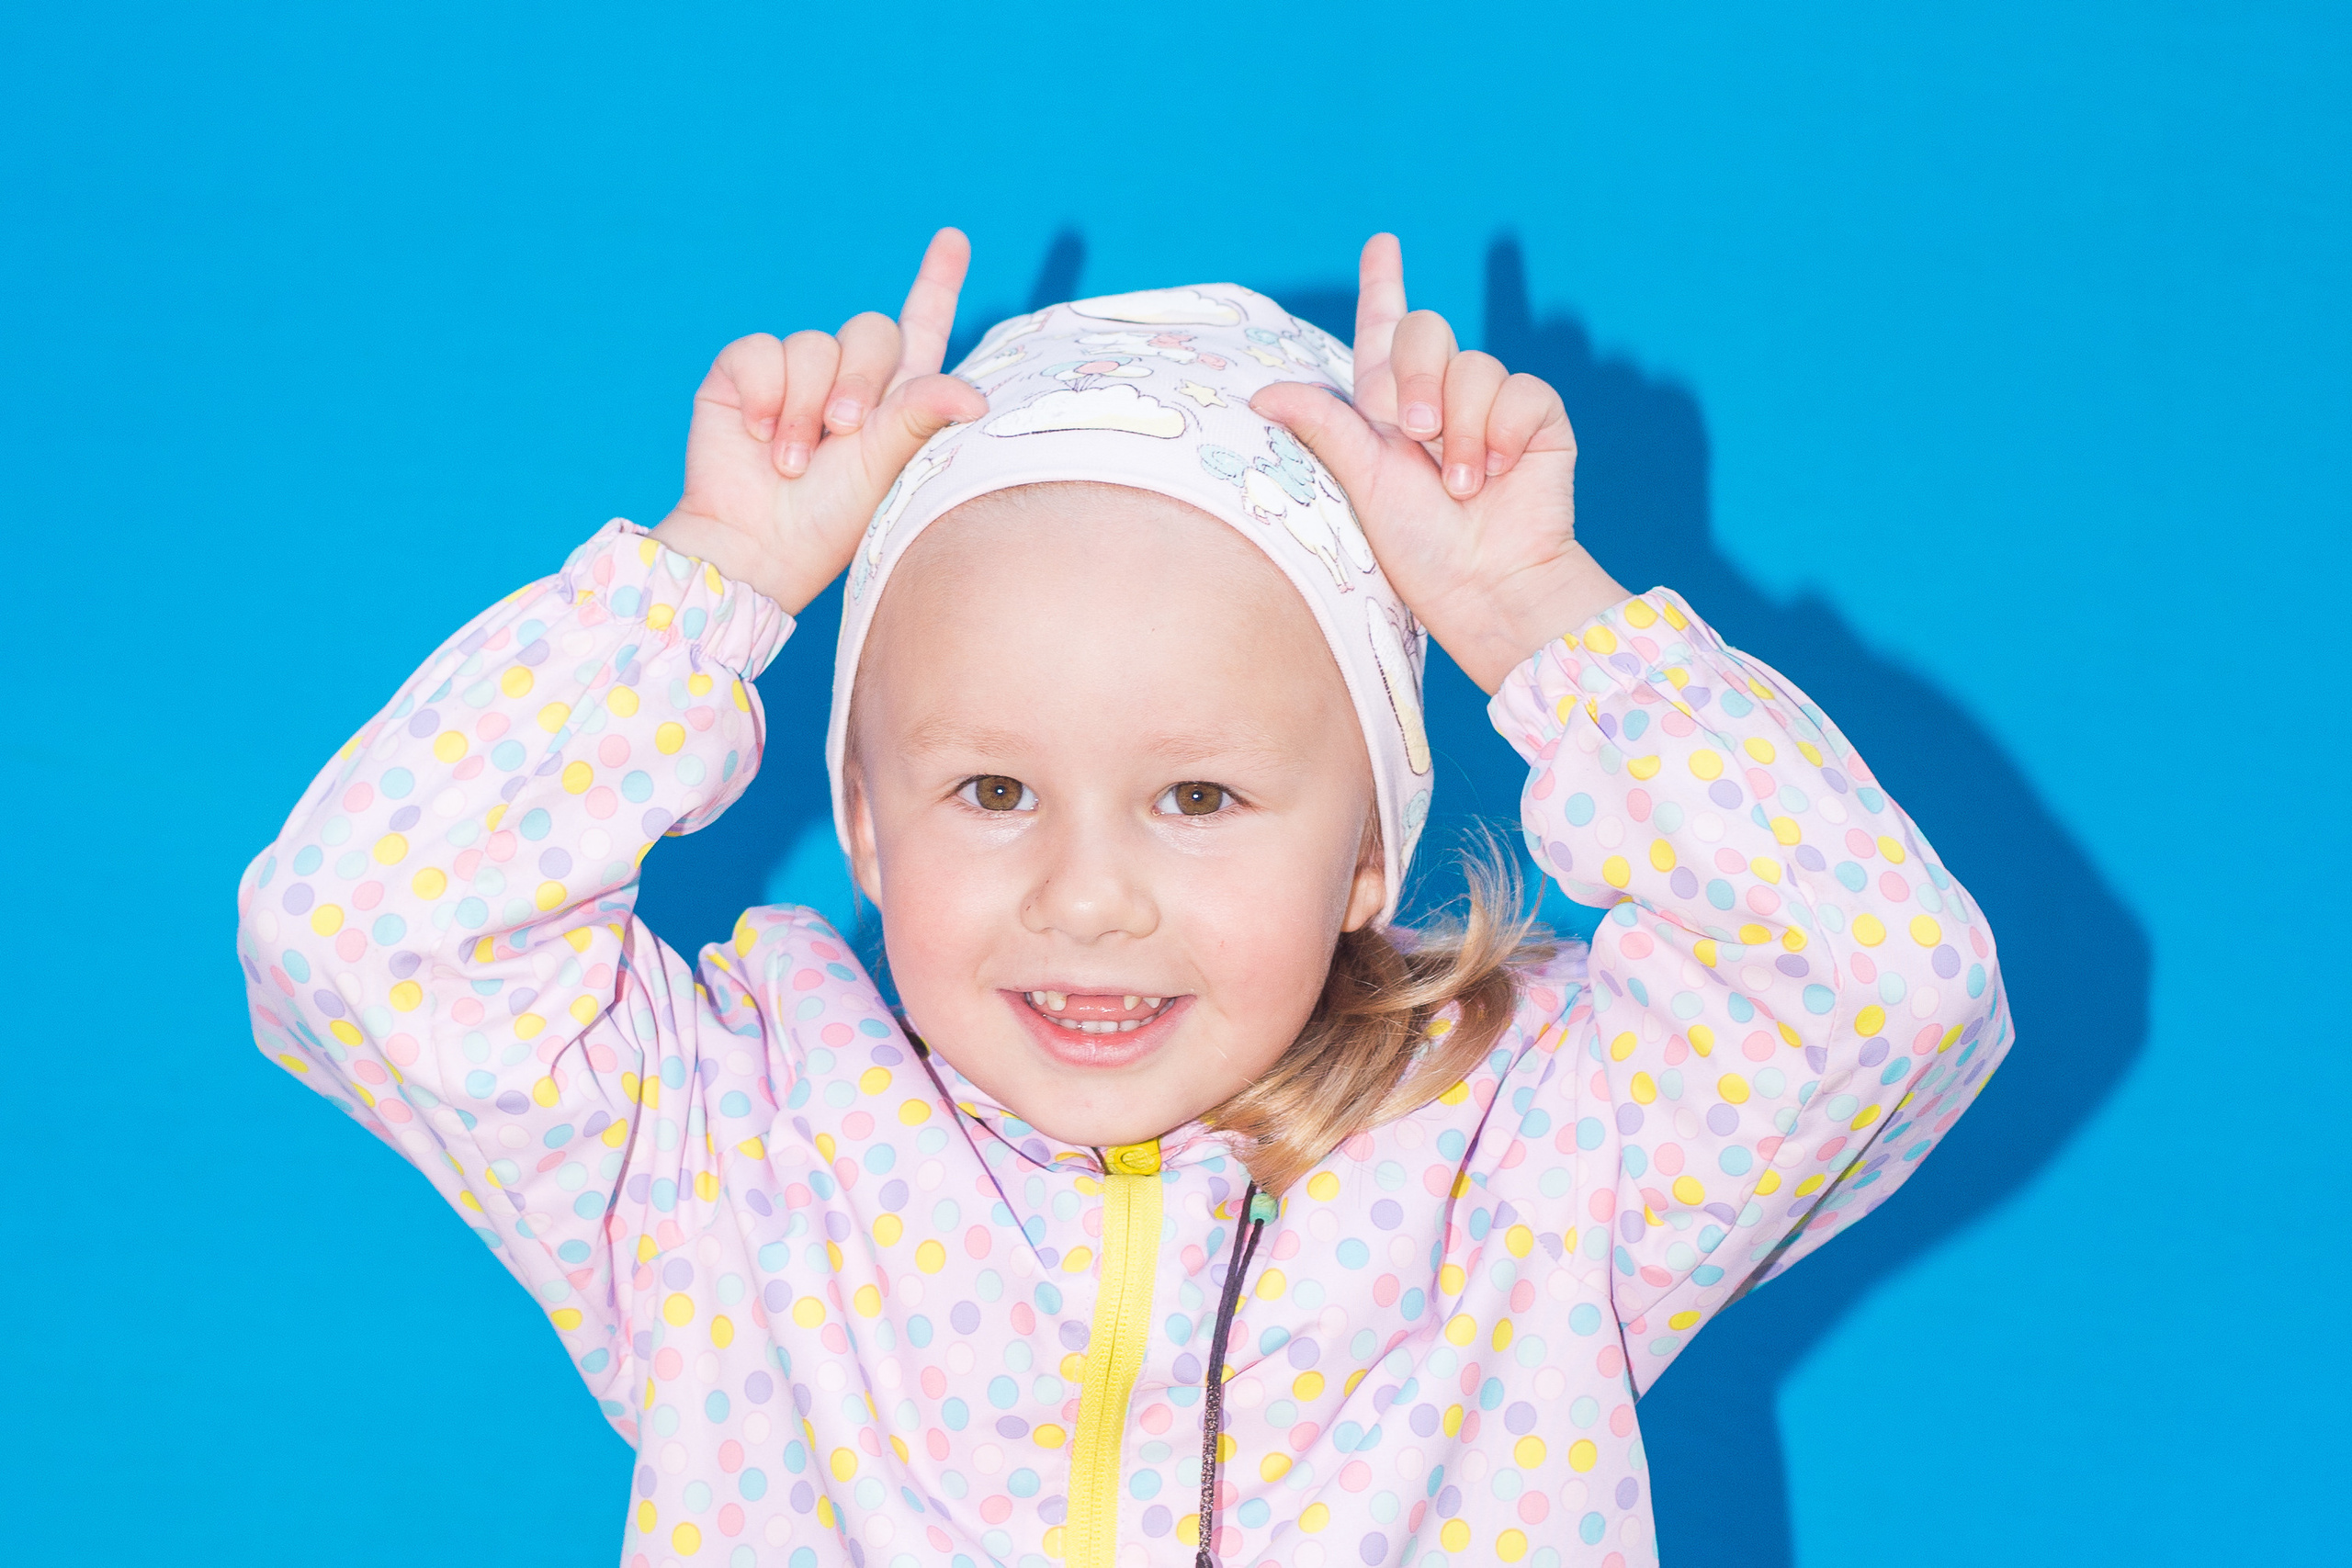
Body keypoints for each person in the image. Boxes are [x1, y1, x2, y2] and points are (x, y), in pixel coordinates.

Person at [237, 229, 2008, 1568]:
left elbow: (1885, 984)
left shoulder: (1528, 1166)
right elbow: (362, 933)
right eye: (992, 791)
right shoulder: (730, 1160)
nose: (1089, 898)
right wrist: (712, 588)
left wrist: (1535, 611)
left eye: (1201, 797)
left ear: (1367, 854)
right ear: (863, 820)